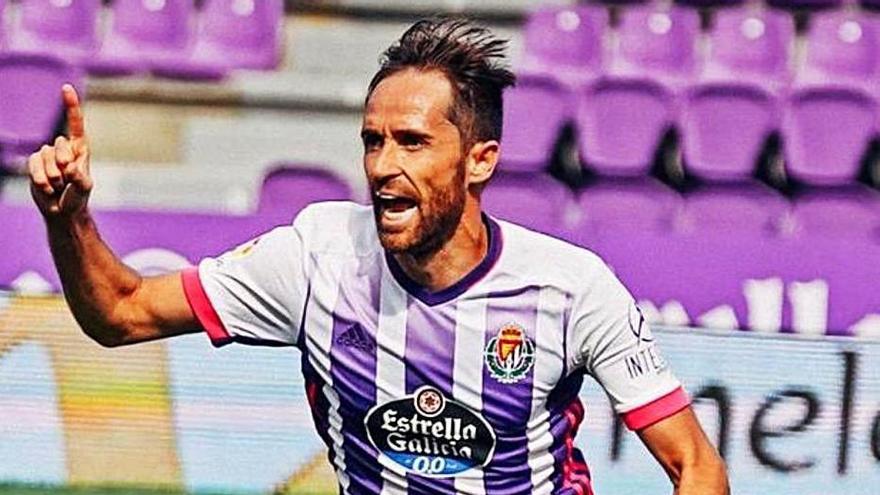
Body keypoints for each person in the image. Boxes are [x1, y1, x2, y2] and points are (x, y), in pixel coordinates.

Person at [28, 17, 728, 495]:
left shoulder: (572, 288)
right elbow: (120, 312)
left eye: (412, 142)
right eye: (372, 140)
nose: (383, 165)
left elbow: (695, 464)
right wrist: (69, 219)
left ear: (479, 160)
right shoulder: (316, 256)